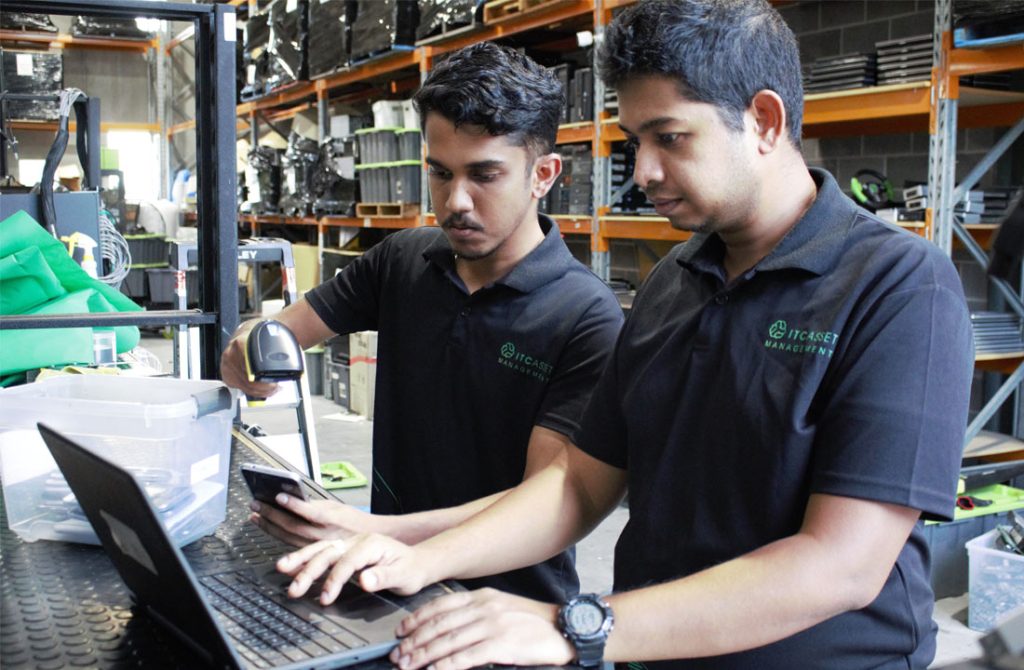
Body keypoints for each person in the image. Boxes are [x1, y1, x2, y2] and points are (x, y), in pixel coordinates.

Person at [273, 1, 975, 668]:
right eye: (636, 141)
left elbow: (842, 566)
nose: (642, 173)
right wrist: (418, 558)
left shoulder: (898, 286)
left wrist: (577, 624)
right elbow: (579, 484)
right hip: (654, 650)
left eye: (669, 138)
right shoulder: (674, 280)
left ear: (763, 120)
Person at [219, 41, 624, 604]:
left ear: (543, 175)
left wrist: (376, 533)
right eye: (440, 172)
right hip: (381, 583)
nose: (456, 200)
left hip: (505, 611)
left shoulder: (585, 318)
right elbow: (281, 333)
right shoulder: (403, 261)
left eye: (485, 175)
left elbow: (544, 502)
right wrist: (249, 349)